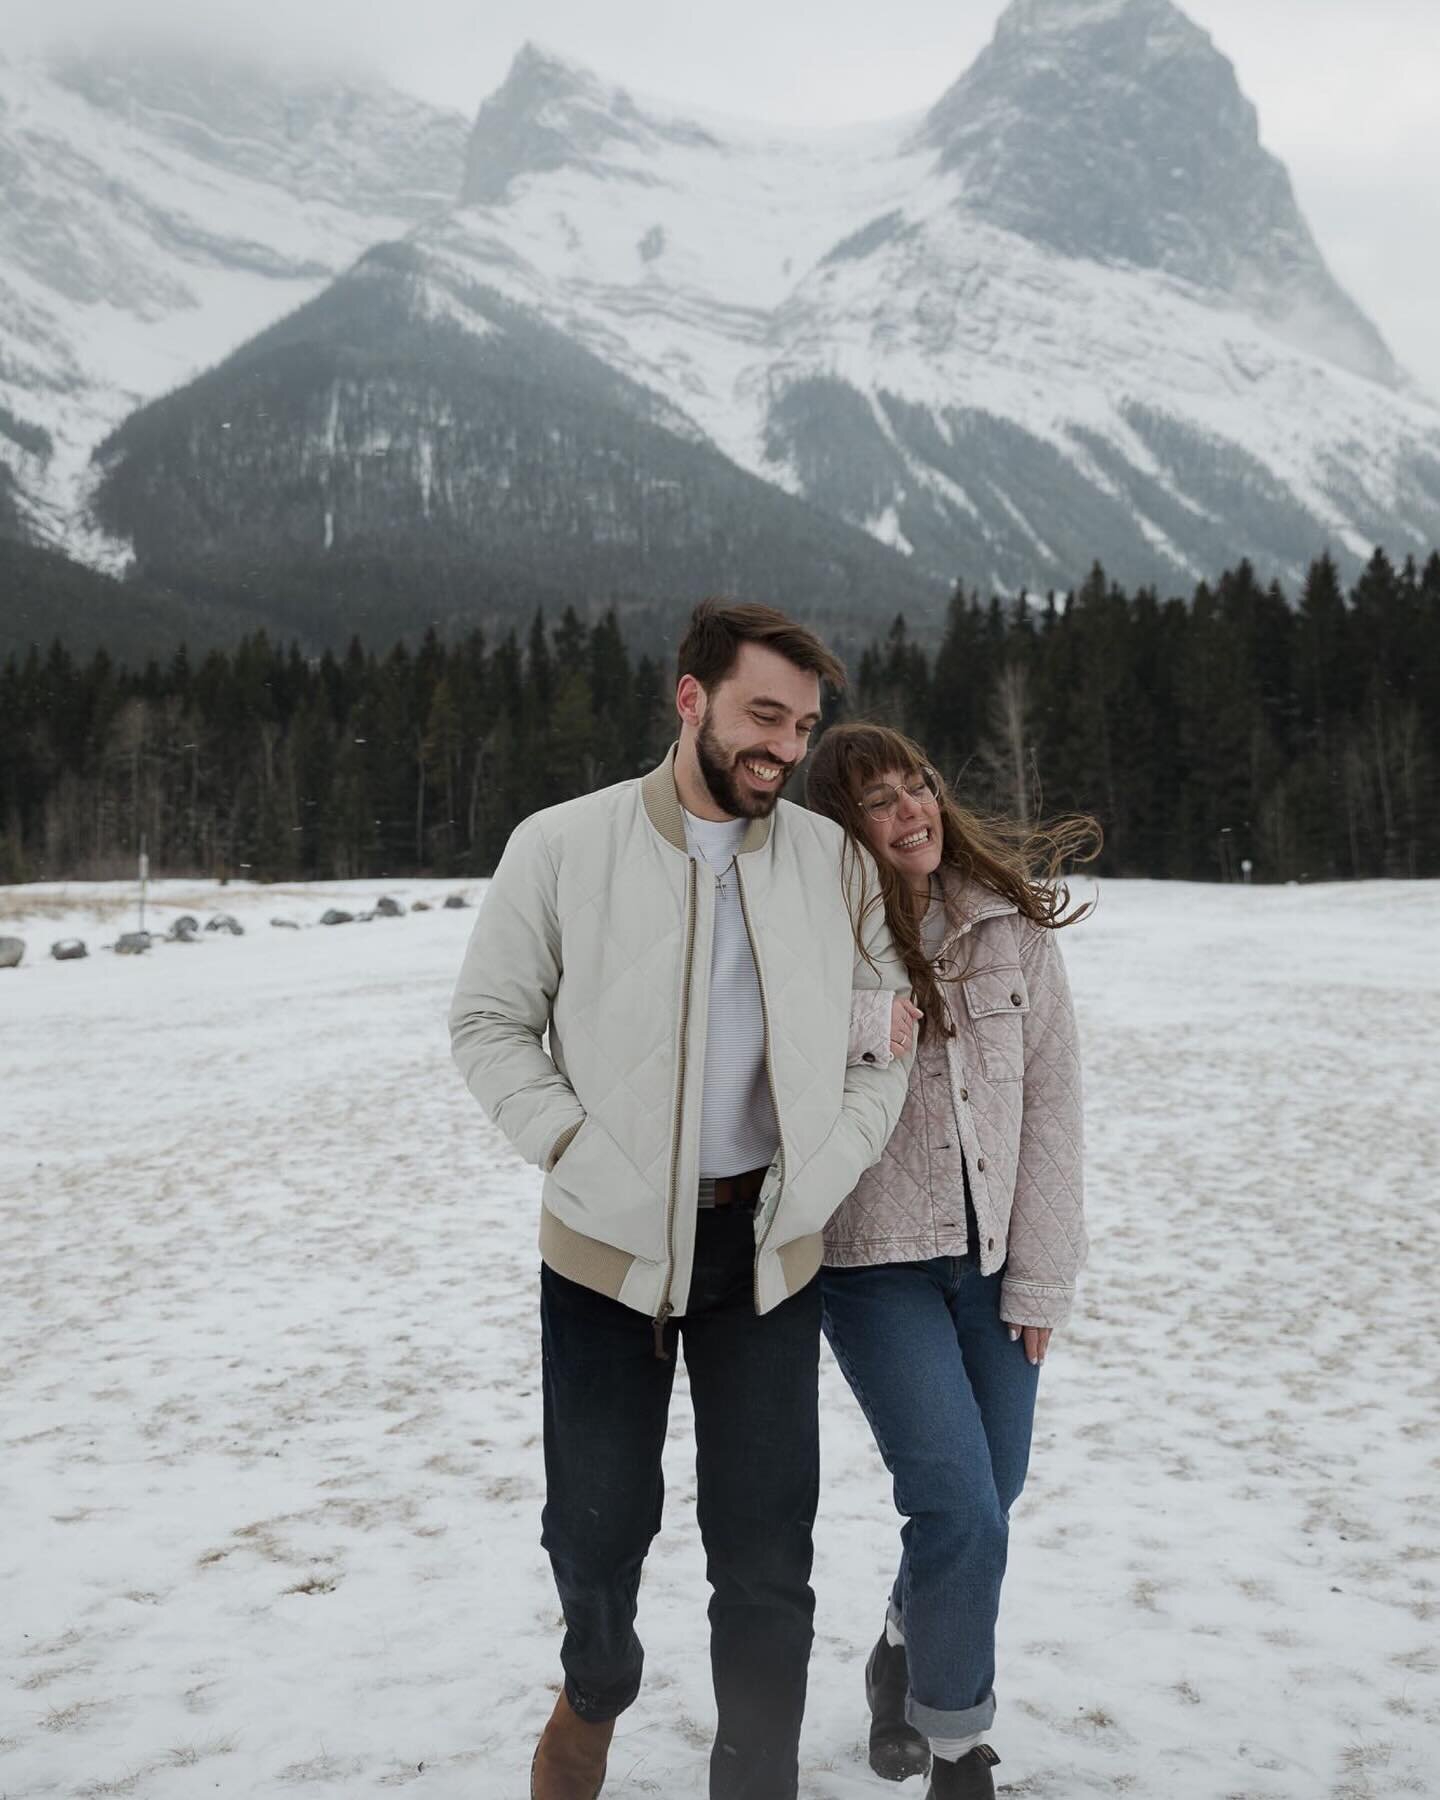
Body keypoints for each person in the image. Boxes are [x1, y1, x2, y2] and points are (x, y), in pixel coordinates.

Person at [449, 604, 912, 1800]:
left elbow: (886, 1042)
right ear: (690, 699)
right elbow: (489, 1024)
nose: (785, 747)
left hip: (766, 1251)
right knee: (596, 1533)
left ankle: (754, 1775)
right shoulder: (562, 844)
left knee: (767, 1558)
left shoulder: (834, 862)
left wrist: (829, 1165)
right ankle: (594, 1688)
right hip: (604, 1259)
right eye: (764, 715)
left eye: (803, 726)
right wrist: (574, 1148)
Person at [805, 721, 1098, 1800]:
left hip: (992, 1263)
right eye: (877, 802)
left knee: (991, 1493)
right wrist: (872, 1020)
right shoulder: (819, 934)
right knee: (960, 1506)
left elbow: (1054, 1112)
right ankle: (957, 1744)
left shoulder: (1010, 929)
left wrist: (1042, 1276)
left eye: (915, 785)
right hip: (872, 1263)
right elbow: (766, 1048)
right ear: (846, 833)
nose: (909, 810)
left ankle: (899, 1645)